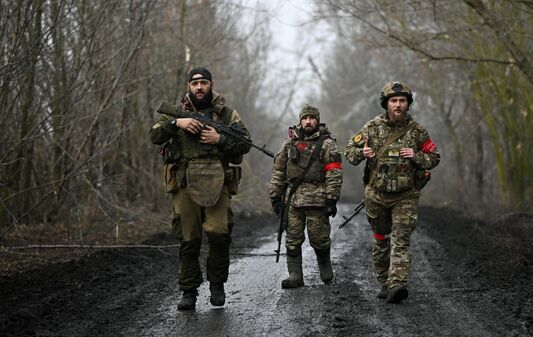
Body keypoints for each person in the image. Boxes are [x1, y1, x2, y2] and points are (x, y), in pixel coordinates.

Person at [150, 67, 251, 310]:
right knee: (188, 239)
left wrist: (220, 139)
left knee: (218, 234)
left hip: (218, 181)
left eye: (203, 82)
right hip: (184, 182)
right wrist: (177, 123)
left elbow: (246, 142)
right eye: (194, 83)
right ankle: (188, 291)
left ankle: (217, 284)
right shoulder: (177, 111)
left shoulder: (226, 114)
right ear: (188, 86)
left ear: (211, 84)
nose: (199, 87)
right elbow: (155, 135)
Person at [344, 81, 440, 303]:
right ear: (386, 103)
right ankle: (384, 280)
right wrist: (362, 153)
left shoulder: (418, 132)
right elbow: (349, 151)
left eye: (402, 101)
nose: (398, 105)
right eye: (394, 101)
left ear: (408, 104)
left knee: (401, 238)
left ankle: (397, 283)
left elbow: (434, 158)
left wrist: (415, 156)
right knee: (380, 239)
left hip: (405, 195)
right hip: (376, 195)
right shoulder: (371, 128)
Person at [269, 104, 343, 288]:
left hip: (317, 199)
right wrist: (275, 196)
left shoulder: (327, 144)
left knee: (319, 239)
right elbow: (279, 171)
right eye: (305, 118)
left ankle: (325, 266)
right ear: (300, 120)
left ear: (317, 121)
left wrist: (331, 198)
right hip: (292, 200)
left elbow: (334, 173)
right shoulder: (289, 143)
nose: (308, 121)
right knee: (292, 239)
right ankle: (295, 276)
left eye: (312, 118)